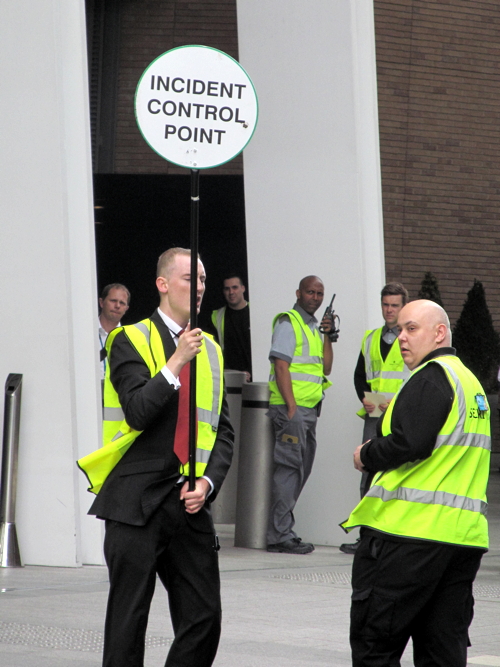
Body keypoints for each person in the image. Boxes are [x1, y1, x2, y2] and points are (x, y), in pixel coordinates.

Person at [86, 248, 234, 667]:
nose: (200, 287)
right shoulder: (128, 338)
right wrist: (175, 361)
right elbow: (137, 411)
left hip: (188, 503)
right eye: (190, 278)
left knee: (204, 616)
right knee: (128, 621)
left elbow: (222, 430)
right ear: (163, 284)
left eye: (204, 279)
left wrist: (207, 483)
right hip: (135, 501)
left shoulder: (214, 351)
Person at [341, 299, 490, 667]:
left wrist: (367, 454)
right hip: (460, 540)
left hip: (409, 538)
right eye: (400, 329)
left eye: (412, 329)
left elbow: (411, 442)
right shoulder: (470, 383)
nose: (401, 339)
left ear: (440, 333)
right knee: (442, 649)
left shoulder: (431, 376)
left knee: (376, 644)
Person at [339, 282, 410, 554]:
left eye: (394, 305)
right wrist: (365, 398)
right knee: (368, 472)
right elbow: (360, 375)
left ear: (403, 306)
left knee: (395, 474)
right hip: (375, 415)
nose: (389, 310)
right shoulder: (370, 338)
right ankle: (367, 537)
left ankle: (391, 537)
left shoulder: (411, 337)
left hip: (401, 417)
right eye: (385, 304)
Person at [266, 275, 335, 554]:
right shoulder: (288, 322)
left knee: (299, 471)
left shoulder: (315, 328)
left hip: (308, 413)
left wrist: (328, 335)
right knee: (288, 471)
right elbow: (281, 366)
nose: (315, 298)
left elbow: (326, 368)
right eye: (310, 292)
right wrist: (292, 408)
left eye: (319, 294)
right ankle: (279, 535)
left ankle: (282, 529)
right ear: (299, 292)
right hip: (291, 411)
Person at [211, 274, 252, 381]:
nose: (231, 292)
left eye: (235, 287)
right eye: (227, 289)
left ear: (243, 288)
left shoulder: (255, 311)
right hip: (229, 378)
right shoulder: (216, 316)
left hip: (257, 374)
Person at [98, 283, 130, 380]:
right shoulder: (85, 333)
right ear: (101, 303)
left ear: (126, 309)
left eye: (122, 303)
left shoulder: (130, 338)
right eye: (113, 301)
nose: (117, 306)